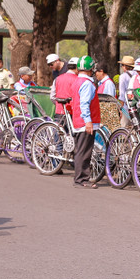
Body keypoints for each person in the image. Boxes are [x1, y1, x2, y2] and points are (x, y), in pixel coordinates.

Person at [71, 56, 100, 189]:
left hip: (77, 120)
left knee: (80, 150)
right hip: (85, 122)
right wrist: (88, 121)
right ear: (91, 69)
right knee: (84, 151)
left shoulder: (77, 81)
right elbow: (84, 103)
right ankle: (82, 179)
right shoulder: (88, 83)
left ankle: (80, 177)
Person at [50, 58, 79, 123]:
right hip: (72, 112)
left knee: (59, 132)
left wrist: (58, 104)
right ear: (77, 68)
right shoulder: (78, 80)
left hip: (59, 112)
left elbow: (52, 97)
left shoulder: (57, 78)